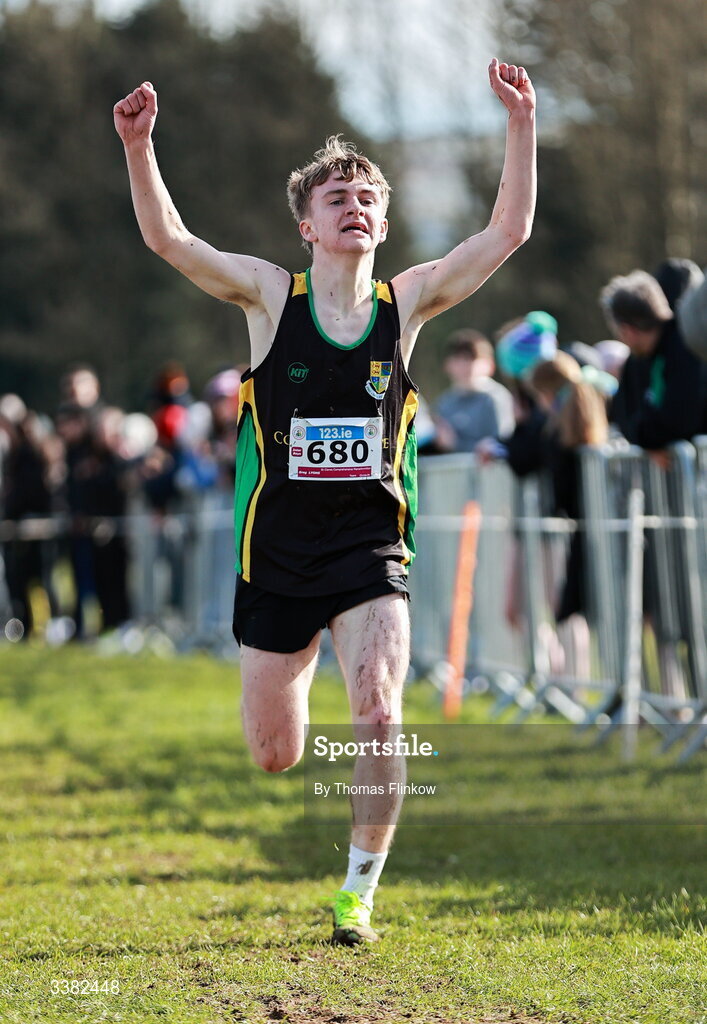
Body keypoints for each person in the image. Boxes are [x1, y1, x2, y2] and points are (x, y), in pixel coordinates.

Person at [114, 59, 536, 945]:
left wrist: (519, 123)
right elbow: (170, 242)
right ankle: (289, 707)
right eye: (337, 196)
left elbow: (506, 230)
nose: (355, 205)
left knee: (381, 708)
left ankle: (359, 894)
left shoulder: (407, 304)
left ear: (381, 221)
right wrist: (139, 145)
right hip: (275, 554)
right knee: (277, 753)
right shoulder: (272, 298)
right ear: (305, 224)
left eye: (367, 196)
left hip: (370, 547)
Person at [435, 329, 514, 452]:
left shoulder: (495, 398)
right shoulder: (444, 403)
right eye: (458, 359)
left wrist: (456, 444)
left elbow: (501, 447)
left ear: (490, 365)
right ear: (447, 365)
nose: (464, 365)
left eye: (471, 358)